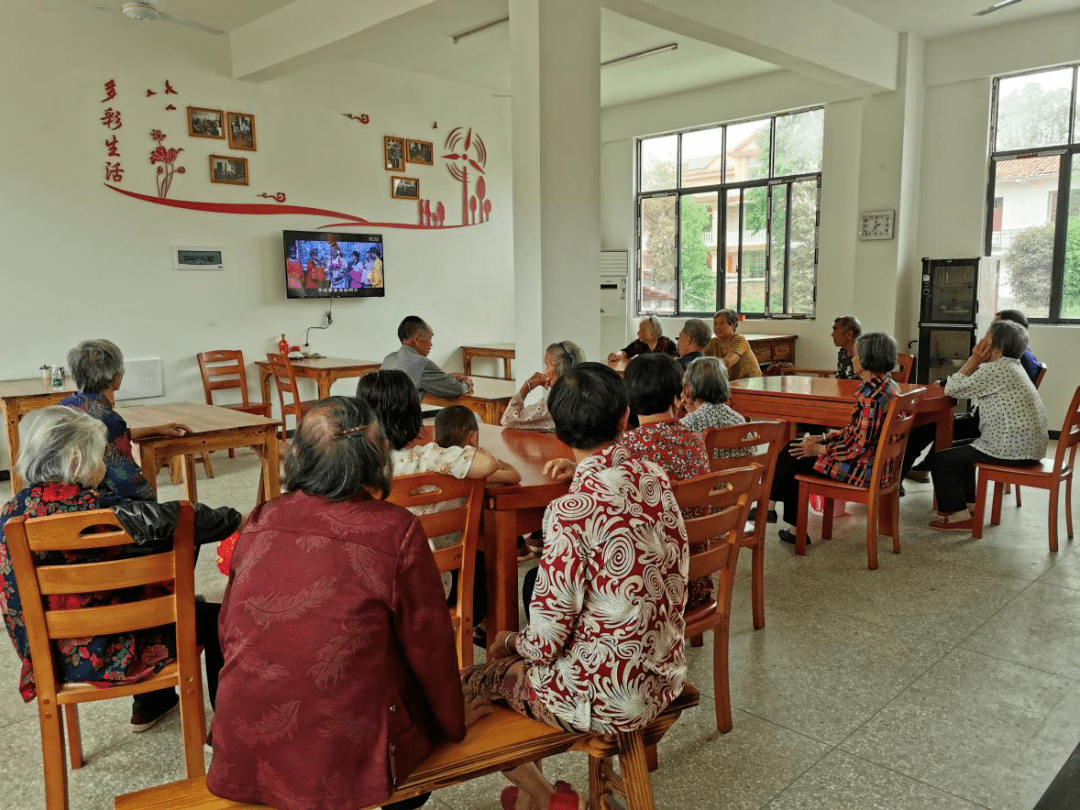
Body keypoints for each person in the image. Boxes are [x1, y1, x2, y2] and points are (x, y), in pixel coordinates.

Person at [207, 397, 470, 810]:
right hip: (344, 758)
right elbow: (430, 645)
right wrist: (453, 723)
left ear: (300, 457)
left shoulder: (261, 517)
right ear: (377, 457)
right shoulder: (395, 529)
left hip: (245, 746)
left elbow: (229, 629)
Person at [461, 363, 688, 810]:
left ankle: (546, 798)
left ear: (560, 432)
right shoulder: (654, 478)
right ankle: (533, 799)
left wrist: (507, 639)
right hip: (662, 675)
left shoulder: (570, 511)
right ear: (625, 417)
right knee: (515, 666)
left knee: (476, 680)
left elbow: (544, 642)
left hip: (605, 699)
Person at [0, 406, 238, 733]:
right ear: (74, 461)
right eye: (99, 458)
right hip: (115, 653)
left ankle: (152, 703)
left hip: (49, 657)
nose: (103, 466)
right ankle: (228, 731)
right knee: (219, 618)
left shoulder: (11, 514)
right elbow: (188, 519)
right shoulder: (102, 512)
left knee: (153, 587)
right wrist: (239, 518)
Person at [769, 332, 900, 545]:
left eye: (856, 355)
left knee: (794, 454)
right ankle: (779, 514)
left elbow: (857, 446)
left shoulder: (870, 398)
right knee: (797, 449)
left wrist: (819, 451)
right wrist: (823, 439)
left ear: (868, 359)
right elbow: (854, 431)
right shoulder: (888, 386)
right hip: (880, 466)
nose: (852, 359)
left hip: (864, 469)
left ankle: (775, 509)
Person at [928, 320, 1048, 531]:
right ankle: (969, 507)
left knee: (941, 459)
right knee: (958, 450)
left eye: (987, 338)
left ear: (999, 348)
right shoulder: (1012, 366)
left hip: (1010, 449)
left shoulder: (996, 368)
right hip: (1029, 448)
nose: (982, 341)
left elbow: (953, 389)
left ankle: (957, 515)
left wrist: (973, 360)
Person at [905, 309, 1043, 484]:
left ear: (1003, 339)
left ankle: (894, 482)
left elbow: (957, 389)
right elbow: (976, 381)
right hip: (1014, 433)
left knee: (928, 427)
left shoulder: (1002, 365)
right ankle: (925, 470)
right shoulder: (1020, 357)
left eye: (989, 333)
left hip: (998, 432)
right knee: (941, 429)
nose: (982, 340)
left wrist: (972, 361)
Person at [621, 353, 712, 608]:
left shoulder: (626, 448)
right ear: (678, 397)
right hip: (694, 581)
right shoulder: (696, 440)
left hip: (647, 593)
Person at [61, 339, 188, 502]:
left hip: (62, 498)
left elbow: (103, 435)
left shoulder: (64, 406)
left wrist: (156, 430)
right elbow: (125, 480)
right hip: (96, 505)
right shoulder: (107, 418)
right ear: (116, 377)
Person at [379, 316, 473, 400]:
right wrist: (467, 384)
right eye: (429, 338)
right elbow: (455, 389)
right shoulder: (421, 363)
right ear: (417, 338)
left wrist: (446, 377)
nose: (431, 344)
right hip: (407, 418)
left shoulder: (388, 359)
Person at [500, 340, 584, 431]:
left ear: (560, 368)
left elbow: (508, 420)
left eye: (547, 366)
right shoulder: (586, 396)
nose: (544, 372)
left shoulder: (553, 406)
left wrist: (528, 385)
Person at [680, 356, 749, 458]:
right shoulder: (738, 419)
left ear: (687, 389)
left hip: (710, 474)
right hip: (742, 473)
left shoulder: (688, 424)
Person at [703, 309, 761, 381]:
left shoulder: (740, 341)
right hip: (733, 383)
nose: (717, 327)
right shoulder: (713, 342)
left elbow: (728, 362)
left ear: (734, 325)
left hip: (751, 383)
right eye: (715, 324)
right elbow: (700, 357)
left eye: (722, 323)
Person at [606, 316, 677, 365]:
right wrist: (616, 355)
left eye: (642, 330)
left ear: (652, 332)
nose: (638, 333)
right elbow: (626, 352)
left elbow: (679, 359)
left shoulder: (667, 343)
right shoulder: (640, 343)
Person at [832, 315, 862, 379]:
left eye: (835, 329)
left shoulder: (866, 354)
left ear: (849, 334)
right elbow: (840, 379)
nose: (832, 335)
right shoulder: (842, 353)